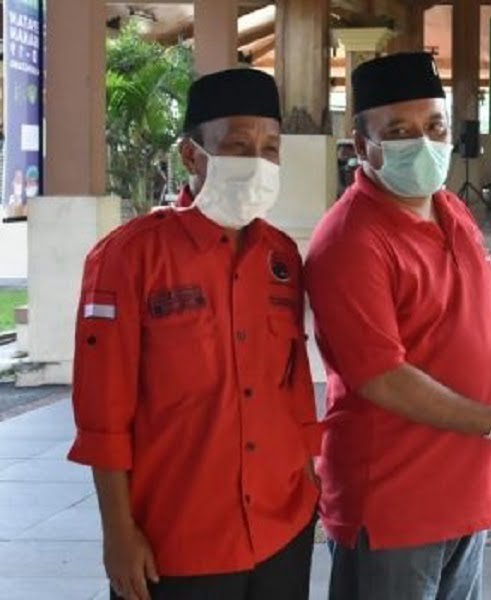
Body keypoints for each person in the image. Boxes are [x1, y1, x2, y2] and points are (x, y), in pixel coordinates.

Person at [304, 52, 491, 599]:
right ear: (362, 146)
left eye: (435, 126)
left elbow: (462, 315)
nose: (424, 143)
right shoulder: (351, 241)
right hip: (394, 499)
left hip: (465, 488)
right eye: (400, 132)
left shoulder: (449, 208)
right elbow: (381, 376)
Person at [67, 68, 319, 600]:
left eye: (270, 148)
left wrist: (308, 475)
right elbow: (102, 413)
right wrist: (117, 533)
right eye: (237, 145)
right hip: (177, 542)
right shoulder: (129, 257)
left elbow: (292, 385)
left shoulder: (281, 257)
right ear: (191, 156)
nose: (257, 161)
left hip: (282, 528)